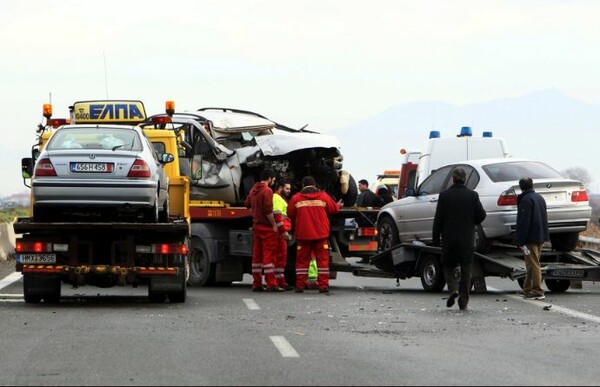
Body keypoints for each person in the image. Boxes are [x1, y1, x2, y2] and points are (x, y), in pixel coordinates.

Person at [432, 168, 486, 310]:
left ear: (453, 179)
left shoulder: (444, 196)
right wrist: (472, 220)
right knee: (466, 269)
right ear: (465, 179)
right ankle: (463, 300)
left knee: (448, 265)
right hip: (467, 239)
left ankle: (453, 289)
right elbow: (481, 215)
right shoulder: (472, 195)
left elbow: (438, 218)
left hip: (449, 238)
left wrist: (435, 238)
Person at [287, 176, 343, 293]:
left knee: (302, 262)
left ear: (302, 185)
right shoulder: (323, 196)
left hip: (303, 236)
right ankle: (323, 286)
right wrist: (338, 205)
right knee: (322, 262)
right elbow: (333, 210)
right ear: (315, 185)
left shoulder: (296, 199)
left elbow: (290, 214)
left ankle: (300, 286)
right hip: (320, 236)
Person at [244, 168, 284, 292]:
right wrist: (274, 224)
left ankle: (257, 283)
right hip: (266, 228)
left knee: (257, 256)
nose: (273, 181)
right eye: (273, 179)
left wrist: (256, 213)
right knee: (269, 256)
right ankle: (271, 283)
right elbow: (268, 210)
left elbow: (247, 204)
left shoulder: (253, 189)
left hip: (257, 226)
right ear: (270, 178)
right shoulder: (267, 191)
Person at [516, 177, 549, 300]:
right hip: (540, 236)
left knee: (534, 263)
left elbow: (524, 222)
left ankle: (538, 290)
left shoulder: (525, 200)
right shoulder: (540, 198)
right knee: (531, 263)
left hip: (530, 238)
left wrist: (520, 240)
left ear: (521, 187)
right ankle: (527, 289)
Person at [272, 179, 293, 290]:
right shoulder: (276, 198)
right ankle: (277, 282)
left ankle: (280, 282)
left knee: (281, 258)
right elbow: (278, 216)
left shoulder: (280, 198)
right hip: (279, 233)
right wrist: (283, 231)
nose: (289, 191)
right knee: (278, 257)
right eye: (287, 188)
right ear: (280, 187)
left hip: (281, 232)